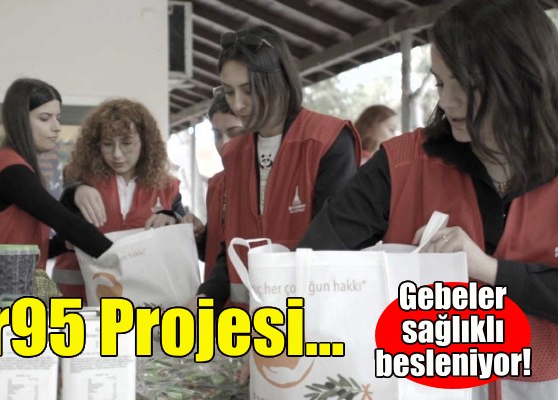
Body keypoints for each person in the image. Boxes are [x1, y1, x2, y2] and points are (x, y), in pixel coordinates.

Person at [298, 1, 558, 398]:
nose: (448, 102)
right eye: (439, 83)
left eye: (468, 85)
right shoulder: (402, 163)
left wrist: (490, 270)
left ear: (524, 79)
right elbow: (317, 255)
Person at [194, 24, 361, 311]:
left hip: (310, 318)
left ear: (279, 79)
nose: (238, 104)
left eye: (248, 90)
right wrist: (203, 299)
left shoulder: (328, 141)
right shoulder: (235, 154)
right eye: (229, 92)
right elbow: (231, 247)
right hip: (247, 325)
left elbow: (332, 241)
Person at [0, 78, 112, 274]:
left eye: (58, 118)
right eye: (45, 118)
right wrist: (122, 258)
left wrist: (64, 243)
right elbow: (65, 222)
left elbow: (27, 250)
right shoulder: (10, 170)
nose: (56, 127)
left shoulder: (7, 165)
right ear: (20, 120)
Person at [52, 98, 186, 298]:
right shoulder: (78, 180)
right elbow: (58, 231)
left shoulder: (168, 187)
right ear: (96, 145)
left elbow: (183, 232)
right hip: (77, 297)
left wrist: (172, 218)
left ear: (145, 142)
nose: (117, 154)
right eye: (107, 144)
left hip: (143, 297)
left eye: (127, 143)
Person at [184, 94, 245, 281]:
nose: (224, 143)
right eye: (217, 134)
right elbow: (214, 251)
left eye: (234, 132)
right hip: (214, 293)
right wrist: (199, 236)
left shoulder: (269, 182)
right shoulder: (216, 184)